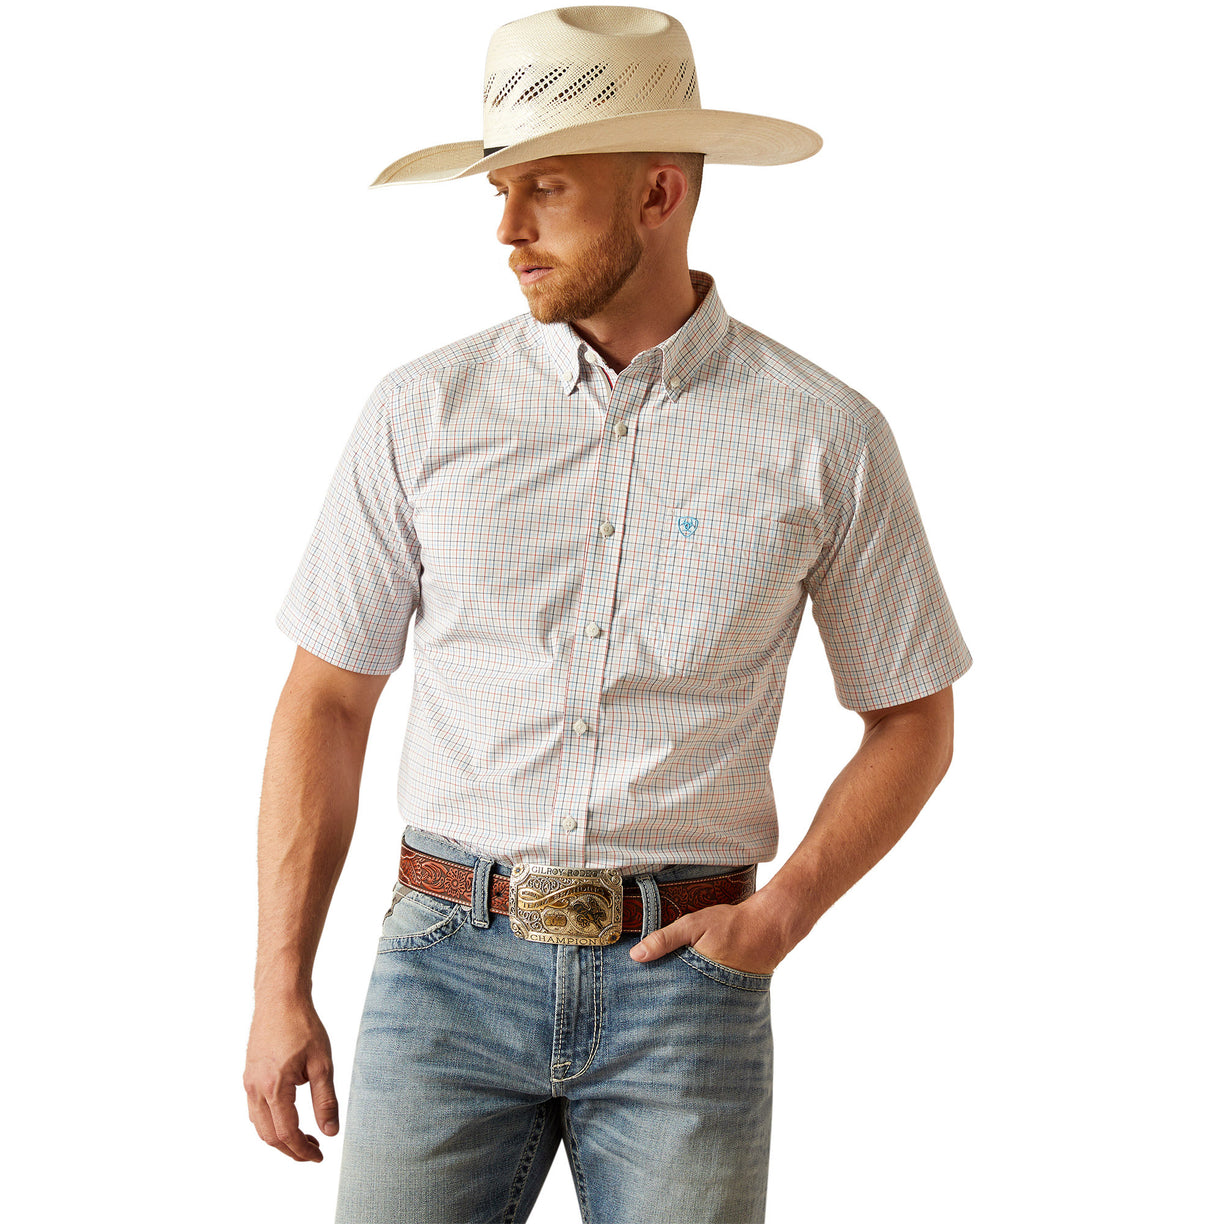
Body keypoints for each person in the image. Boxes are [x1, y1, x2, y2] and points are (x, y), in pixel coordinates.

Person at [243, 6, 973, 1222]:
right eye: (500, 190)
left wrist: (777, 918)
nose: (507, 229)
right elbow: (325, 700)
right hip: (443, 971)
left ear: (658, 193)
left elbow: (915, 718)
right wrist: (278, 983)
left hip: (684, 987)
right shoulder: (422, 413)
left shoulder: (823, 436)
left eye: (546, 190)